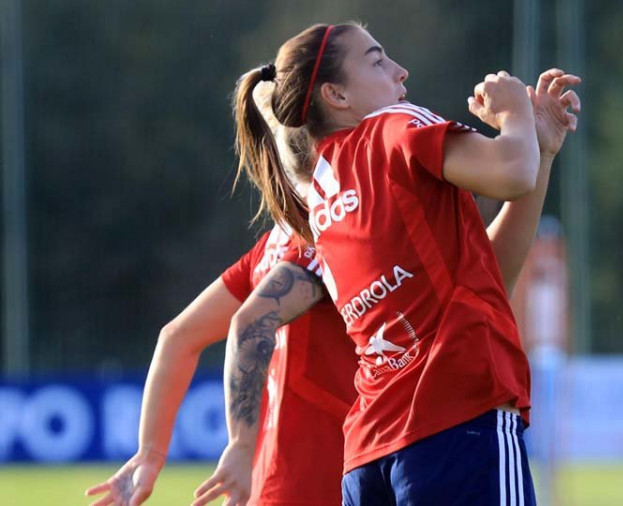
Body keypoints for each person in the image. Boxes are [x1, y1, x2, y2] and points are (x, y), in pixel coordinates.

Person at [198, 22, 580, 506]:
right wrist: (514, 112)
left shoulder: (321, 196)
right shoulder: (393, 127)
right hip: (461, 422)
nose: (400, 72)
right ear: (336, 94)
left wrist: (540, 153)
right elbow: (511, 170)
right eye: (377, 61)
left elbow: (487, 279)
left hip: (369, 458)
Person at [84, 85, 359, 506]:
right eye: (375, 63)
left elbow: (177, 337)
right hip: (321, 481)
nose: (398, 76)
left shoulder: (274, 245)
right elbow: (241, 325)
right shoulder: (318, 240)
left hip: (282, 483)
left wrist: (151, 453)